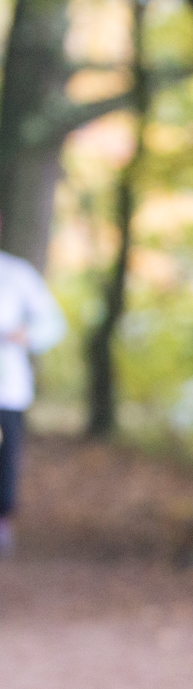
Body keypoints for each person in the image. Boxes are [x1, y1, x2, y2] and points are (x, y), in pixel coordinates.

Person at [0, 236, 67, 558]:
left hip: (6, 388)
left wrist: (23, 335)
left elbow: (53, 324)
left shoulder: (15, 273)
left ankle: (3, 522)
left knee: (5, 458)